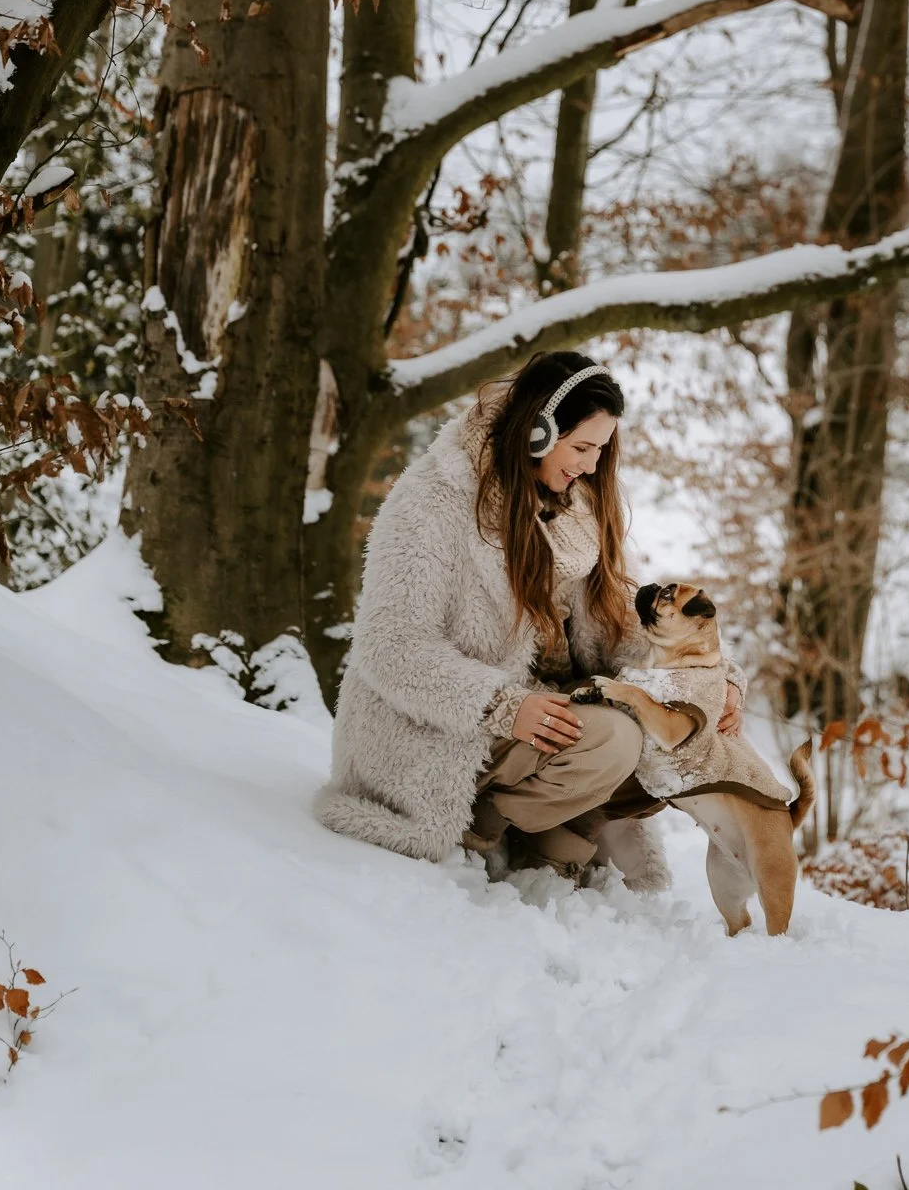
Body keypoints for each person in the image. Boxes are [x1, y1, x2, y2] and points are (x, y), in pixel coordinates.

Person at [316, 350, 744, 882]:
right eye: (582, 447)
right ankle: (480, 826)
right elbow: (390, 646)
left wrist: (708, 679)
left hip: (544, 708)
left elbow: (619, 624)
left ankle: (541, 829)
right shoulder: (433, 500)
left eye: (600, 450)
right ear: (538, 431)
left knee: (675, 729)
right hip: (438, 732)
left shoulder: (577, 506)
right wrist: (501, 705)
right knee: (614, 738)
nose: (591, 466)